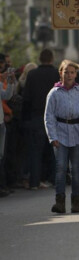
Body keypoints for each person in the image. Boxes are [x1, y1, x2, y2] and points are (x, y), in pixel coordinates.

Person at [45, 60, 79, 213]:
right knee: (61, 168)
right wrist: (52, 136)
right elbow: (48, 116)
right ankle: (60, 201)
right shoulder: (54, 93)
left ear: (76, 74)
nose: (69, 75)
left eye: (72, 72)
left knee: (76, 169)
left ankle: (76, 201)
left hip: (77, 131)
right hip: (60, 132)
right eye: (66, 72)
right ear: (60, 73)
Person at [22, 49, 59, 190]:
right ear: (52, 58)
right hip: (54, 117)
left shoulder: (32, 74)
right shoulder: (56, 74)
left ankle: (34, 182)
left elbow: (27, 97)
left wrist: (26, 118)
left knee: (35, 152)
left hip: (36, 116)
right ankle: (55, 179)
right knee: (54, 151)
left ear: (39, 58)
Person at [0, 54, 15, 197]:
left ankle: (2, 185)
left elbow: (6, 96)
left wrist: (10, 82)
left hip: (0, 123)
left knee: (1, 155)